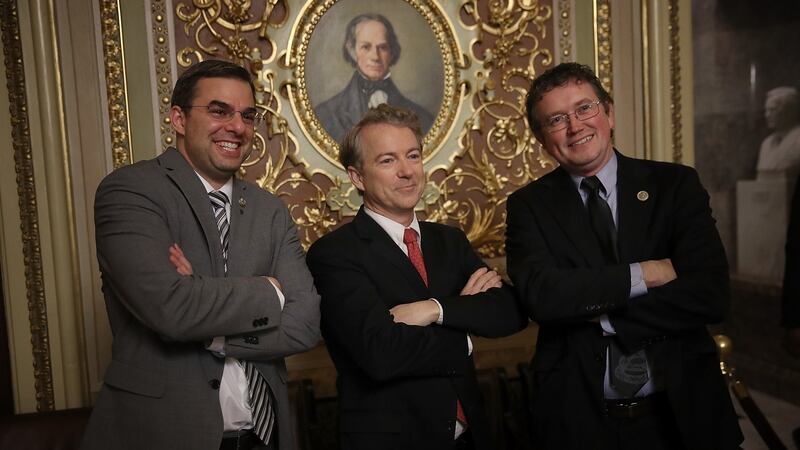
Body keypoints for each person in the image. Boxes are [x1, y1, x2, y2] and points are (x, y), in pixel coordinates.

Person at [82, 60, 321, 450]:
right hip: (164, 434)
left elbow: (305, 324)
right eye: (218, 111)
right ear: (178, 118)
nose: (237, 127)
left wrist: (212, 328)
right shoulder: (131, 191)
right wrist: (269, 291)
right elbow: (171, 309)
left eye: (247, 115)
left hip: (265, 437)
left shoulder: (269, 209)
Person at [505, 62, 743, 450]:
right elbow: (542, 297)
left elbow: (710, 293)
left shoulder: (674, 185)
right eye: (557, 119)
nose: (576, 126)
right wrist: (645, 274)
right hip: (580, 422)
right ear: (541, 139)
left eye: (585, 108)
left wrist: (596, 310)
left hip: (683, 416)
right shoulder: (527, 206)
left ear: (609, 113)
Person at [306, 104, 526, 450]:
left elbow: (510, 311)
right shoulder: (334, 254)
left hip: (471, 437)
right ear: (357, 177)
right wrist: (464, 331)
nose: (408, 171)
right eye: (388, 160)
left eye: (413, 155)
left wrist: (435, 309)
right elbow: (380, 353)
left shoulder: (449, 240)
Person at [314, 13, 435, 143]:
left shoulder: (423, 118)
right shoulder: (325, 115)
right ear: (351, 50)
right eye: (366, 47)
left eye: (382, 48)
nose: (375, 57)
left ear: (392, 52)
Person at [757, 86, 800, 180]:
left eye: (773, 110)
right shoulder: (766, 143)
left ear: (789, 111)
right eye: (766, 110)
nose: (767, 115)